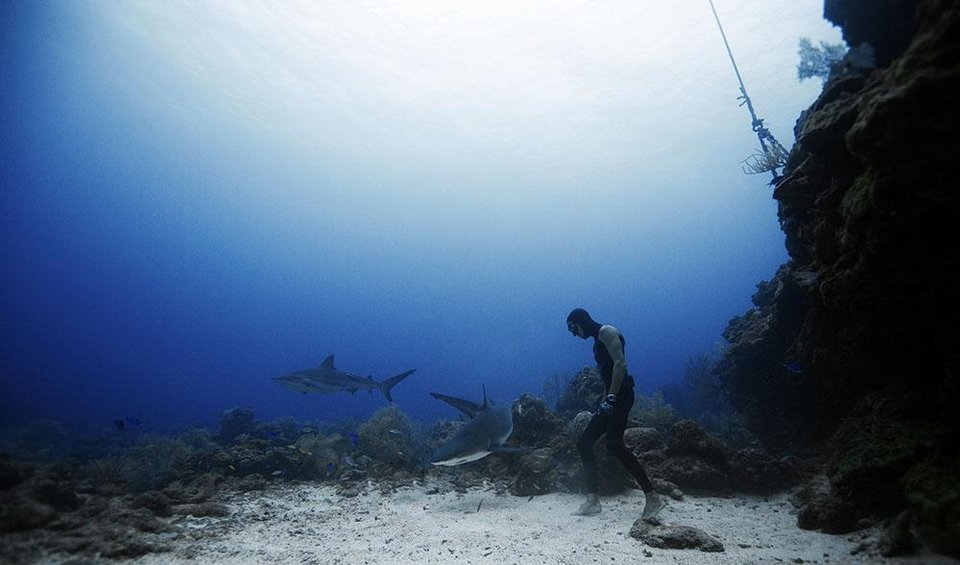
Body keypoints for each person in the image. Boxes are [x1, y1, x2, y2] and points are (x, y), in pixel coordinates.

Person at [566, 308, 664, 520]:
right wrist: (604, 401)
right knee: (584, 443)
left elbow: (620, 364)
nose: (574, 334)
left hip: (622, 397)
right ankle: (593, 501)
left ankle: (653, 497)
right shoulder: (596, 345)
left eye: (573, 328)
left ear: (580, 321)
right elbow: (606, 377)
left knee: (614, 444)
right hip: (610, 399)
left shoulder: (607, 332)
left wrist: (611, 397)